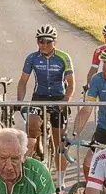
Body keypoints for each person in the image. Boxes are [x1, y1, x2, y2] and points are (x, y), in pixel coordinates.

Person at [15, 24, 74, 161]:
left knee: (58, 143)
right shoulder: (32, 58)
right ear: (37, 42)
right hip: (39, 97)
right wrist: (19, 102)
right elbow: (23, 81)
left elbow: (71, 84)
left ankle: (59, 178)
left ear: (55, 42)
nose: (44, 44)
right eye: (41, 41)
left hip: (58, 97)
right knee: (32, 125)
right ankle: (35, 153)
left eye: (48, 41)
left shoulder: (64, 57)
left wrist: (65, 102)